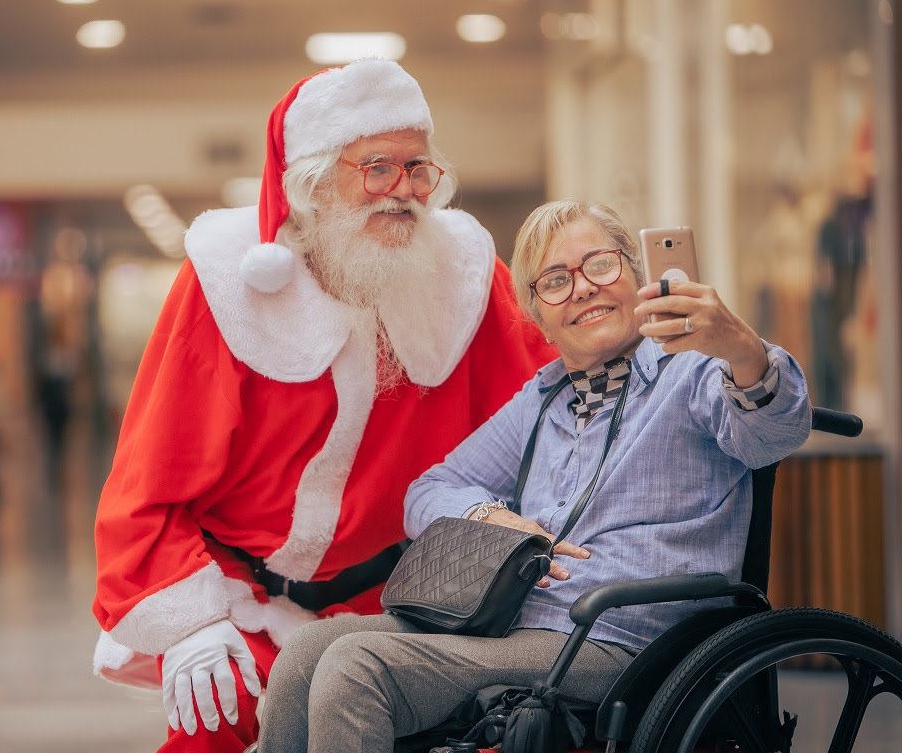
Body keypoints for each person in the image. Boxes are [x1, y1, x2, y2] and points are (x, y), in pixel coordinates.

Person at [89, 58, 555, 753]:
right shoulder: (225, 289)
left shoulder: (462, 278)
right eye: (377, 169)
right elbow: (147, 486)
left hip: (409, 601)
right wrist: (191, 623)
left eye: (418, 169)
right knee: (207, 728)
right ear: (312, 184)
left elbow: (552, 410)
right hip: (237, 596)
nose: (403, 192)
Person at [256, 199, 813, 753]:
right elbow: (428, 491)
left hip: (628, 639)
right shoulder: (543, 400)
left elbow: (775, 431)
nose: (584, 288)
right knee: (307, 653)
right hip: (521, 628)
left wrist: (741, 348)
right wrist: (496, 520)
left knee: (358, 667)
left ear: (634, 273)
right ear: (536, 315)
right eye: (555, 281)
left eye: (600, 264)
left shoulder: (693, 371)